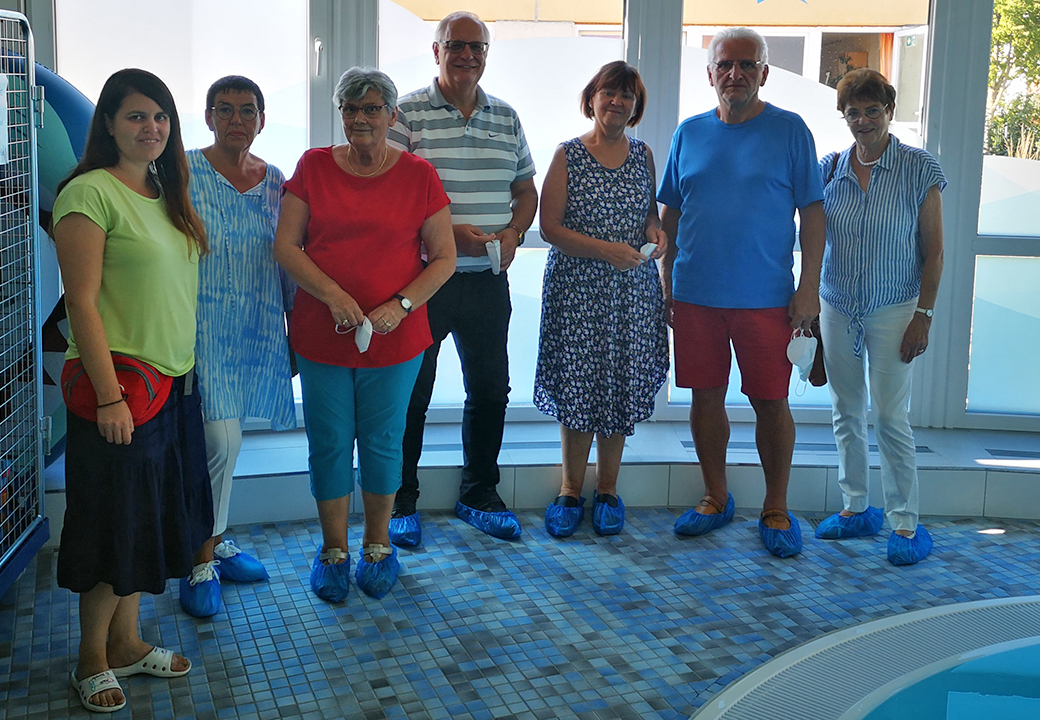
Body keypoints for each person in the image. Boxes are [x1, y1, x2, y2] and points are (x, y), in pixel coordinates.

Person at [51, 69, 211, 713]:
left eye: (161, 117)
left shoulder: (167, 192)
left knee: (145, 521)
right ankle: (91, 657)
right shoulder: (88, 194)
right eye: (137, 116)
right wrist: (109, 396)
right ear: (110, 125)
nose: (152, 128)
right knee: (110, 525)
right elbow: (81, 304)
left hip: (171, 388)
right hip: (119, 393)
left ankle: (127, 642)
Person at [273, 67, 455, 602]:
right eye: (351, 109)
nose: (360, 119)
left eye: (372, 108)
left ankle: (378, 545)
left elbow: (443, 258)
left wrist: (401, 305)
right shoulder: (313, 167)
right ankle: (333, 550)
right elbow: (286, 246)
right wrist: (332, 295)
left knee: (382, 441)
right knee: (329, 443)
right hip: (322, 335)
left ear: (392, 115)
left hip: (395, 338)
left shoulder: (419, 175)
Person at [658, 27, 826, 558]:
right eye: (725, 64)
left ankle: (776, 507)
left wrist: (809, 288)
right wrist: (666, 279)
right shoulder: (688, 133)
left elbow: (813, 214)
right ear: (710, 73)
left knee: (771, 402)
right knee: (705, 397)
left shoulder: (791, 131)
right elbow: (671, 213)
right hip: (696, 296)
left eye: (747, 64)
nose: (736, 74)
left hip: (768, 299)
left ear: (765, 73)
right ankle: (716, 496)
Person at [387, 11, 538, 546]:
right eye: (456, 45)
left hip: (487, 281)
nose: (467, 55)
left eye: (477, 46)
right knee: (412, 393)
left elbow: (526, 189)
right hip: (423, 282)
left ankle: (479, 494)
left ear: (486, 54)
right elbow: (390, 196)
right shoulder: (405, 114)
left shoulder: (507, 117)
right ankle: (401, 500)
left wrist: (516, 232)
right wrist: (449, 236)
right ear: (437, 51)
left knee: (491, 390)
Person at [813, 69, 946, 566]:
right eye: (854, 113)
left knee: (890, 416)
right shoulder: (829, 169)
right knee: (846, 410)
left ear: (890, 111)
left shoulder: (918, 168)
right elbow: (810, 236)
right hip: (837, 305)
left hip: (895, 308)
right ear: (843, 116)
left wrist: (924, 315)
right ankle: (855, 507)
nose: (863, 120)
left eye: (873, 111)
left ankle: (905, 522)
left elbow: (934, 252)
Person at [178, 75, 298, 618]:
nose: (236, 120)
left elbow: (287, 256)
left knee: (231, 441)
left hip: (256, 327)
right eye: (224, 110)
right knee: (219, 442)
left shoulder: (274, 181)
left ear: (262, 120)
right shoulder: (181, 172)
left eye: (247, 110)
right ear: (207, 118)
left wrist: (295, 328)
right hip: (198, 330)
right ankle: (200, 560)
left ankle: (217, 537)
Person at [535, 61, 669, 538]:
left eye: (626, 96)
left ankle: (608, 489)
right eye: (608, 92)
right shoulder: (568, 155)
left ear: (636, 107)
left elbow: (649, 214)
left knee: (619, 385)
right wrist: (605, 250)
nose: (617, 101)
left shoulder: (643, 154)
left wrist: (655, 231)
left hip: (631, 292)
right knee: (579, 385)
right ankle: (570, 490)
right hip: (578, 291)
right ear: (591, 98)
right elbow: (549, 228)